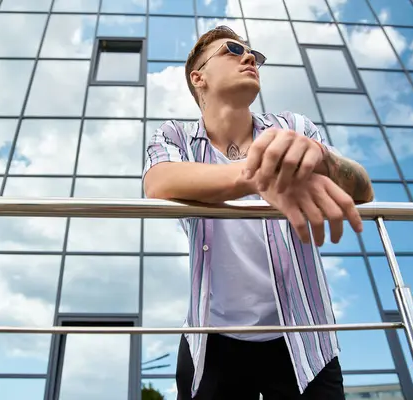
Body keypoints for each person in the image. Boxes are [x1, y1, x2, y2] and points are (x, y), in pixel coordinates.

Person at [142, 26, 374, 400]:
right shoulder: (175, 136)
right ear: (197, 77)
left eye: (254, 54)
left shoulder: (293, 128)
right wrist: (258, 177)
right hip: (211, 341)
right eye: (233, 50)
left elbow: (363, 188)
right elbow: (158, 182)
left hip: (304, 339)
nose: (250, 57)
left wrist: (325, 159)